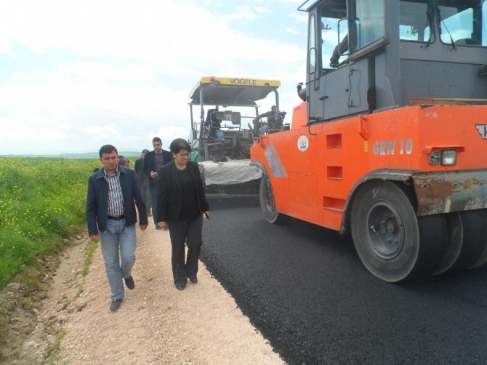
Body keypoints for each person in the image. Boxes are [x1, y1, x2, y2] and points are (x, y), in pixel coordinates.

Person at [86, 144, 148, 312]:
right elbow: (90, 207)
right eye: (107, 158)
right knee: (111, 263)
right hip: (106, 227)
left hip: (126, 223)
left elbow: (138, 198)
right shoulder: (95, 179)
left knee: (128, 257)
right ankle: (117, 295)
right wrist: (92, 230)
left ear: (117, 157)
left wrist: (143, 218)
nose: (111, 161)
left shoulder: (129, 174)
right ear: (101, 160)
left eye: (113, 157)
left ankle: (126, 274)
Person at [157, 138, 210, 291]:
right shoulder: (166, 171)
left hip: (194, 214)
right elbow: (162, 195)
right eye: (182, 155)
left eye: (187, 154)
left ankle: (191, 271)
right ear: (174, 154)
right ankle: (180, 278)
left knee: (195, 243)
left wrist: (205, 207)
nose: (186, 158)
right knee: (178, 246)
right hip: (176, 217)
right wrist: (160, 217)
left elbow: (200, 189)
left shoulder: (193, 167)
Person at [143, 137, 172, 230]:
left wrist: (160, 174)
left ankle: (166, 222)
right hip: (153, 183)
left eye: (158, 145)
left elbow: (171, 167)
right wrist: (150, 174)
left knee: (167, 202)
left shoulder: (168, 155)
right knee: (155, 203)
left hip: (166, 182)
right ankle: (158, 223)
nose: (156, 147)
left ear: (161, 144)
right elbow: (145, 169)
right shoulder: (149, 155)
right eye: (154, 145)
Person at [134, 149, 151, 216]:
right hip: (140, 181)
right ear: (142, 154)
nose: (145, 156)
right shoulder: (138, 161)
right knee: (142, 196)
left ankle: (148, 211)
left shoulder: (150, 161)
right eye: (144, 155)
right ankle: (143, 211)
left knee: (148, 197)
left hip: (148, 181)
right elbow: (136, 171)